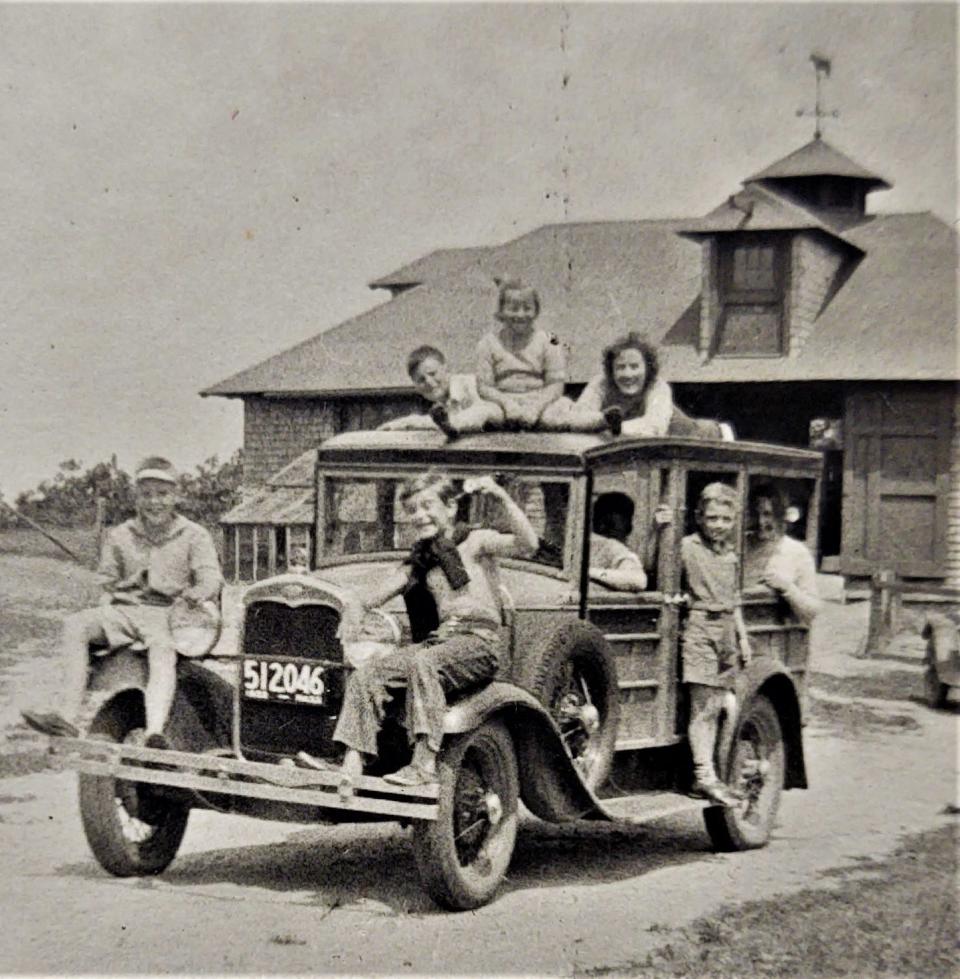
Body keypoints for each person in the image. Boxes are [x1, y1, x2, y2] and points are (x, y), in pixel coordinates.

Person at [330, 470, 538, 792]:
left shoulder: (475, 542)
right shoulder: (421, 559)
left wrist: (499, 495)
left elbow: (528, 544)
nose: (419, 515)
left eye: (427, 505)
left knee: (423, 662)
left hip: (479, 641)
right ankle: (351, 766)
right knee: (367, 674)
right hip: (442, 641)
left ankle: (424, 765)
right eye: (412, 510)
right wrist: (355, 607)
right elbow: (378, 592)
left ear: (451, 507)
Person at [21, 457, 222, 748]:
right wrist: (104, 607)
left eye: (162, 494)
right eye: (147, 494)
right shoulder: (120, 535)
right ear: (136, 497)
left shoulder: (194, 535)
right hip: (124, 611)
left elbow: (211, 578)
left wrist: (199, 592)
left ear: (176, 496)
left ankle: (154, 733)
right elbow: (106, 581)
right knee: (75, 625)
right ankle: (66, 719)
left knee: (163, 649)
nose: (155, 502)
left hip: (167, 614)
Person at [675, 482, 752, 807]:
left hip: (726, 632)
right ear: (699, 518)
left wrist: (742, 637)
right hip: (700, 626)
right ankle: (705, 777)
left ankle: (708, 776)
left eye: (725, 519)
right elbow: (655, 563)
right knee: (703, 707)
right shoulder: (686, 547)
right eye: (712, 518)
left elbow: (733, 600)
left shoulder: (731, 555)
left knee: (721, 705)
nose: (719, 525)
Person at [542, 330, 733, 439]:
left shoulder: (657, 387)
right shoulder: (600, 383)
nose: (628, 374)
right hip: (635, 438)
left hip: (694, 435)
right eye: (621, 367)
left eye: (634, 366)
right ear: (611, 370)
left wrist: (609, 427)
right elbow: (580, 417)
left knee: (702, 432)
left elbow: (654, 428)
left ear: (647, 368)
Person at [464, 279, 568, 433]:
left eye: (527, 308)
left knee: (559, 412)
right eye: (513, 308)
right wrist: (507, 404)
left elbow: (556, 384)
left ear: (536, 311)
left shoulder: (551, 339)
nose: (520, 314)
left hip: (540, 402)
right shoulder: (487, 343)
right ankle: (455, 425)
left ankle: (601, 422)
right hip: (502, 403)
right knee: (481, 412)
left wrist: (536, 408)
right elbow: (484, 386)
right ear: (501, 311)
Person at [377, 345, 500, 437]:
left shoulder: (469, 384)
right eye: (421, 380)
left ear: (446, 368)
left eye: (433, 374)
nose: (429, 383)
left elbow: (490, 411)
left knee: (484, 410)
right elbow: (434, 421)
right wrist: (402, 423)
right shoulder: (443, 406)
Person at [744, 484, 822, 625]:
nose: (761, 522)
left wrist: (787, 588)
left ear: (780, 516)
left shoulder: (796, 552)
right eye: (756, 514)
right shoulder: (741, 546)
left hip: (781, 636)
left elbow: (812, 612)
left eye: (767, 514)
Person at [588, 492, 649, 592]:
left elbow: (638, 580)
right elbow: (638, 580)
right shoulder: (611, 546)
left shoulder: (613, 547)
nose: (630, 527)